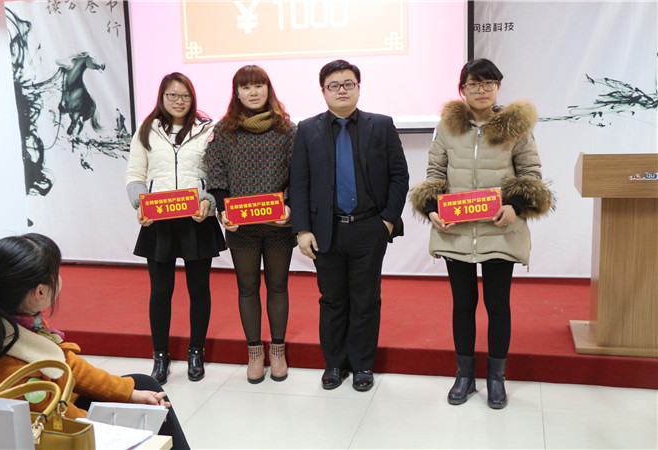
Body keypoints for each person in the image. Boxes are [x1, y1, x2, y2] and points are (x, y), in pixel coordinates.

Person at [410, 58, 554, 409]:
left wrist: (515, 206)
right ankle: (464, 375)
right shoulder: (447, 127)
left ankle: (496, 378)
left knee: (497, 305)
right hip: (456, 231)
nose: (481, 90)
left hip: (500, 230)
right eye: (474, 84)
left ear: (498, 87)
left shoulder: (516, 127)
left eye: (489, 83)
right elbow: (435, 173)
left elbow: (531, 173)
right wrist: (431, 207)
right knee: (463, 305)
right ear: (462, 89)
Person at [0, 234, 190, 449]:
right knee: (145, 417)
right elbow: (60, 423)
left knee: (143, 385)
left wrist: (130, 394)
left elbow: (68, 365)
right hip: (36, 433)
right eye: (56, 272)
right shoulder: (14, 370)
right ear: (40, 292)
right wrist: (123, 427)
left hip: (50, 410)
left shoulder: (7, 320)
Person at [290, 59, 409, 392]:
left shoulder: (381, 125)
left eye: (348, 84)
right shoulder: (307, 129)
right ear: (323, 91)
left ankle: (362, 365)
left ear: (358, 87)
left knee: (366, 300)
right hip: (325, 230)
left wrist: (387, 221)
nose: (341, 90)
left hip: (369, 227)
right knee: (332, 300)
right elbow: (299, 182)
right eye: (334, 85)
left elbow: (399, 175)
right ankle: (334, 364)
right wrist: (302, 229)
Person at [125, 72, 225, 385]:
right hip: (159, 221)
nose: (179, 101)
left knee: (199, 290)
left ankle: (196, 352)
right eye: (172, 95)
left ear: (192, 98)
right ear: (162, 97)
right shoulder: (147, 129)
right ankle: (161, 356)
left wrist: (209, 200)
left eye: (184, 95)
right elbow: (134, 174)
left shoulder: (208, 129)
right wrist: (140, 203)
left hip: (198, 220)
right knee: (160, 291)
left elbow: (217, 173)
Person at [207, 65, 296, 384]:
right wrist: (223, 211)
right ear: (237, 93)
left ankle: (278, 350)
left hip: (278, 224)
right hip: (240, 227)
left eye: (259, 85)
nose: (253, 92)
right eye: (246, 87)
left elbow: (299, 175)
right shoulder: (223, 130)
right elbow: (215, 174)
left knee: (278, 285)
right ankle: (255, 352)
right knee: (247, 288)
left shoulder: (287, 130)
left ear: (268, 89)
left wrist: (290, 206)